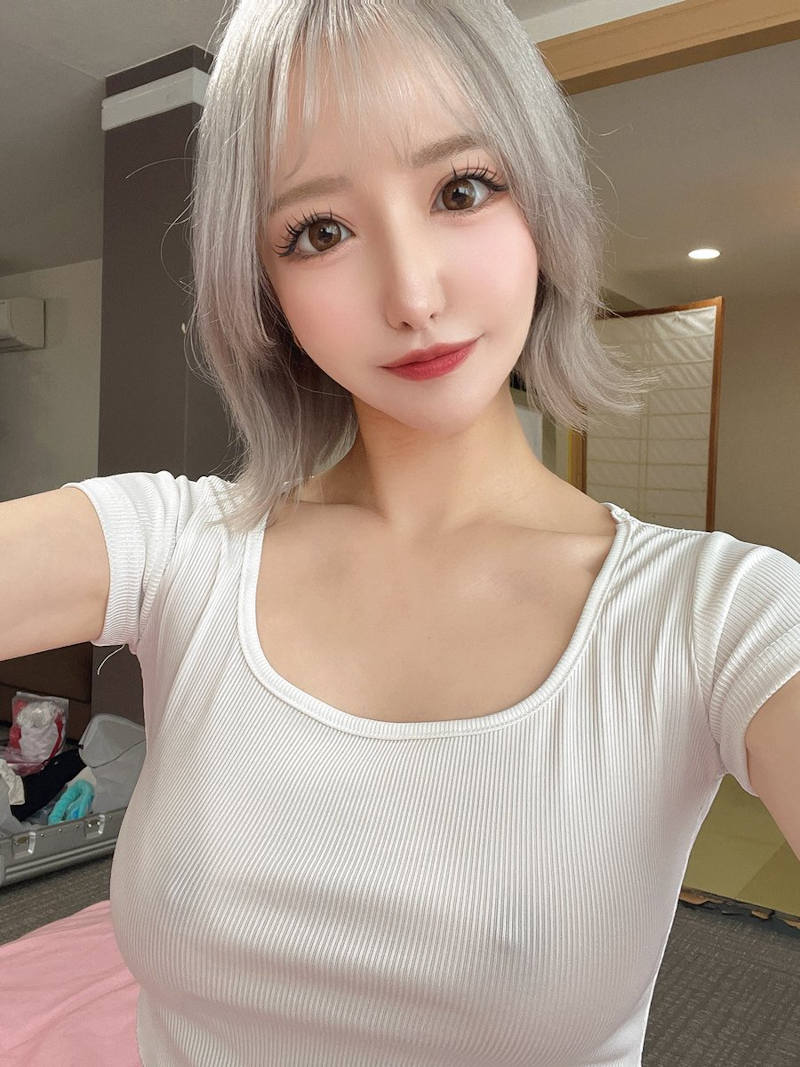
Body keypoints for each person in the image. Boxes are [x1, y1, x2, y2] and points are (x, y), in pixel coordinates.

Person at [1, 2, 798, 1066]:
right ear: (265, 288)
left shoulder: (721, 612)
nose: (413, 296)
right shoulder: (180, 544)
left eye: (461, 189)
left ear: (541, 202)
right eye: (319, 231)